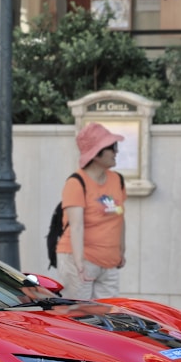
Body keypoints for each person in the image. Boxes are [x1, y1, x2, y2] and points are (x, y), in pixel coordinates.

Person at [55, 122, 127, 300]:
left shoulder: (117, 180)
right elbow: (76, 226)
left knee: (107, 313)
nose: (116, 152)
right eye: (112, 147)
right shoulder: (76, 183)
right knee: (78, 312)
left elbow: (120, 218)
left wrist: (121, 251)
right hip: (81, 260)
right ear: (96, 153)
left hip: (109, 263)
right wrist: (79, 264)